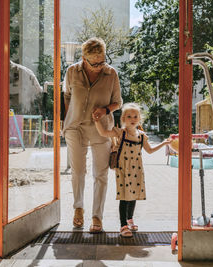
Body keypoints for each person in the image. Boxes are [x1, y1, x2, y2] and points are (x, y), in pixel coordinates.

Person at [63, 37, 122, 233]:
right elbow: (67, 95)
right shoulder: (72, 71)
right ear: (83, 58)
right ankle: (78, 208)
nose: (98, 66)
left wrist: (105, 110)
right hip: (75, 127)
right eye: (93, 62)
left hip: (101, 128)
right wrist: (67, 117)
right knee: (78, 171)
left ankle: (97, 216)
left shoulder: (111, 73)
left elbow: (118, 102)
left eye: (101, 61)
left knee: (101, 174)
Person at [94, 103, 171, 237]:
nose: (132, 119)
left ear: (139, 118)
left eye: (135, 116)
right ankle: (123, 225)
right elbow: (104, 133)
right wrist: (97, 121)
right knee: (124, 196)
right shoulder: (120, 132)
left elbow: (150, 150)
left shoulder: (141, 135)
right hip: (123, 168)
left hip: (137, 169)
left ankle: (130, 219)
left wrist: (164, 143)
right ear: (123, 118)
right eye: (129, 116)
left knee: (133, 194)